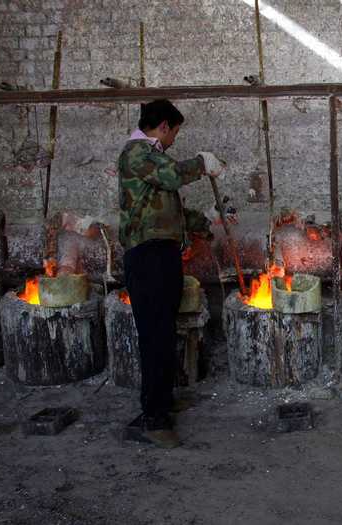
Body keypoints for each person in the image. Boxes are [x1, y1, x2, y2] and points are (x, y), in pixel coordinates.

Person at [118, 99, 224, 448]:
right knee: (155, 335)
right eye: (175, 132)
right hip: (147, 256)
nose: (175, 140)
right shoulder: (137, 153)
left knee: (164, 331)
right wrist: (201, 164)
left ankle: (162, 400)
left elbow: (170, 207)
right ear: (163, 126)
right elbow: (171, 175)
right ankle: (152, 419)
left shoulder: (152, 160)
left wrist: (208, 222)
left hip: (162, 254)